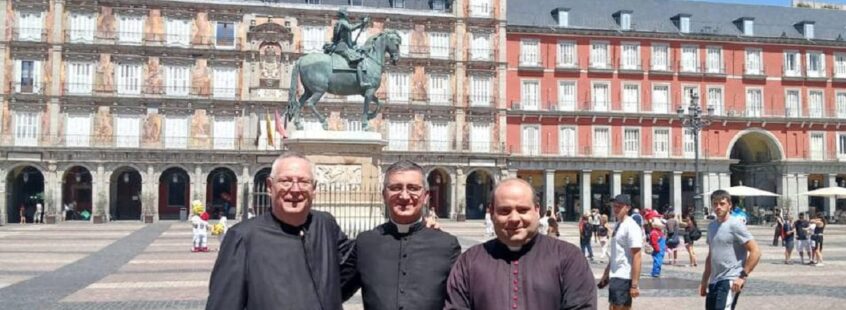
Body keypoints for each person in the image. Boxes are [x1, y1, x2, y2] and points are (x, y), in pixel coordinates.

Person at [206, 152, 356, 310]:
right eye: (286, 181)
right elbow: (223, 303)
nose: (295, 189)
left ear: (314, 188)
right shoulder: (243, 236)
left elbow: (349, 269)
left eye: (304, 182)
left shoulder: (325, 224)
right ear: (270, 187)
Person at [444, 178, 596, 309]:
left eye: (523, 210)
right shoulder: (469, 262)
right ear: (492, 214)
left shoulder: (569, 258)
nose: (514, 219)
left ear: (537, 210)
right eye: (505, 211)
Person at [347, 160, 460, 310]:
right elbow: (332, 291)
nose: (405, 196)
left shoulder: (447, 245)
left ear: (426, 196)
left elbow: (460, 301)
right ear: (384, 195)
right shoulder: (365, 243)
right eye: (395, 188)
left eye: (413, 188)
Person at [699, 190, 762, 310]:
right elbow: (711, 256)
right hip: (714, 280)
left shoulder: (735, 225)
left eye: (722, 204)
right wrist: (704, 281)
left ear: (729, 205)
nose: (718, 207)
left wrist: (742, 276)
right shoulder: (712, 226)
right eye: (715, 204)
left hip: (730, 279)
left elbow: (755, 251)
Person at [597, 194, 643, 310]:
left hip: (624, 275)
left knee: (619, 307)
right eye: (614, 206)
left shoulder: (631, 226)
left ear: (627, 208)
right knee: (613, 307)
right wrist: (606, 273)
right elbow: (615, 253)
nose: (615, 209)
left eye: (619, 207)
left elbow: (637, 256)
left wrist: (634, 284)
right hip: (615, 275)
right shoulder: (618, 225)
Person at [328, 7, 371, 87]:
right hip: (342, 47)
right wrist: (361, 24)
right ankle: (361, 82)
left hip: (342, 45)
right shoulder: (343, 22)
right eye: (346, 13)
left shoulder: (339, 23)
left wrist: (352, 43)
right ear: (344, 15)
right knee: (359, 61)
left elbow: (340, 37)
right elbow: (351, 28)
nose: (347, 15)